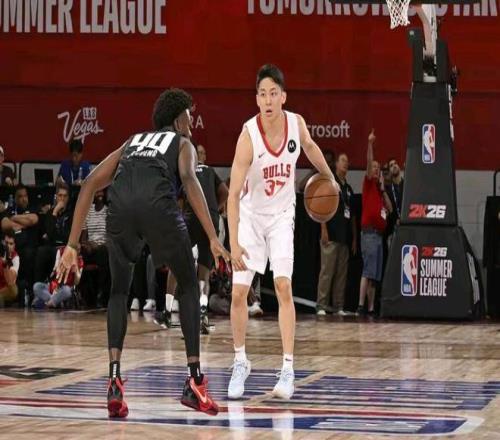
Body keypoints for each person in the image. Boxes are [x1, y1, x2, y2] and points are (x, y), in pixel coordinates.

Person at [56, 88, 231, 418]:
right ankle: (195, 382)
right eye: (189, 116)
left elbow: (90, 182)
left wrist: (72, 245)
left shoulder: (132, 141)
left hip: (120, 209)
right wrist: (212, 236)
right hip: (157, 206)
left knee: (118, 292)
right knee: (189, 285)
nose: (192, 122)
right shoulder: (182, 143)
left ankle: (114, 380)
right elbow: (189, 180)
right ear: (177, 120)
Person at [227, 64, 335, 400]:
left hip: (281, 217)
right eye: (262, 94)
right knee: (238, 294)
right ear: (257, 99)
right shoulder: (248, 136)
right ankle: (240, 361)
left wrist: (330, 178)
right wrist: (233, 242)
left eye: (274, 93)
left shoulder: (296, 124)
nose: (268, 100)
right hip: (250, 217)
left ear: (283, 97)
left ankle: (288, 368)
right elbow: (232, 194)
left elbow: (311, 147)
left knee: (283, 286)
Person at [316, 152, 357, 316]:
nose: (346, 163)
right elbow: (321, 206)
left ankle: (338, 306)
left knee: (341, 275)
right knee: (327, 272)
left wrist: (354, 239)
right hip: (331, 235)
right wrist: (323, 229)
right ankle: (321, 305)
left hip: (344, 237)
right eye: (343, 160)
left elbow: (352, 216)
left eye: (347, 161)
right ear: (336, 164)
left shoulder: (349, 189)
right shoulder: (330, 184)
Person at [357, 130, 393, 316]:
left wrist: (383, 189)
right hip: (369, 234)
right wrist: (370, 144)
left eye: (379, 168)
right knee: (368, 271)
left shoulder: (379, 192)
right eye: (375, 168)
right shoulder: (368, 184)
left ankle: (371, 308)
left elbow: (390, 209)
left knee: (374, 275)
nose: (377, 170)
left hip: (379, 236)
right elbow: (369, 162)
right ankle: (361, 305)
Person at [0, 230, 19, 306]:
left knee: (14, 290)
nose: (8, 246)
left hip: (5, 288)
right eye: (6, 243)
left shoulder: (15, 258)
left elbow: (10, 281)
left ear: (14, 246)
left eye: (11, 244)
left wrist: (5, 263)